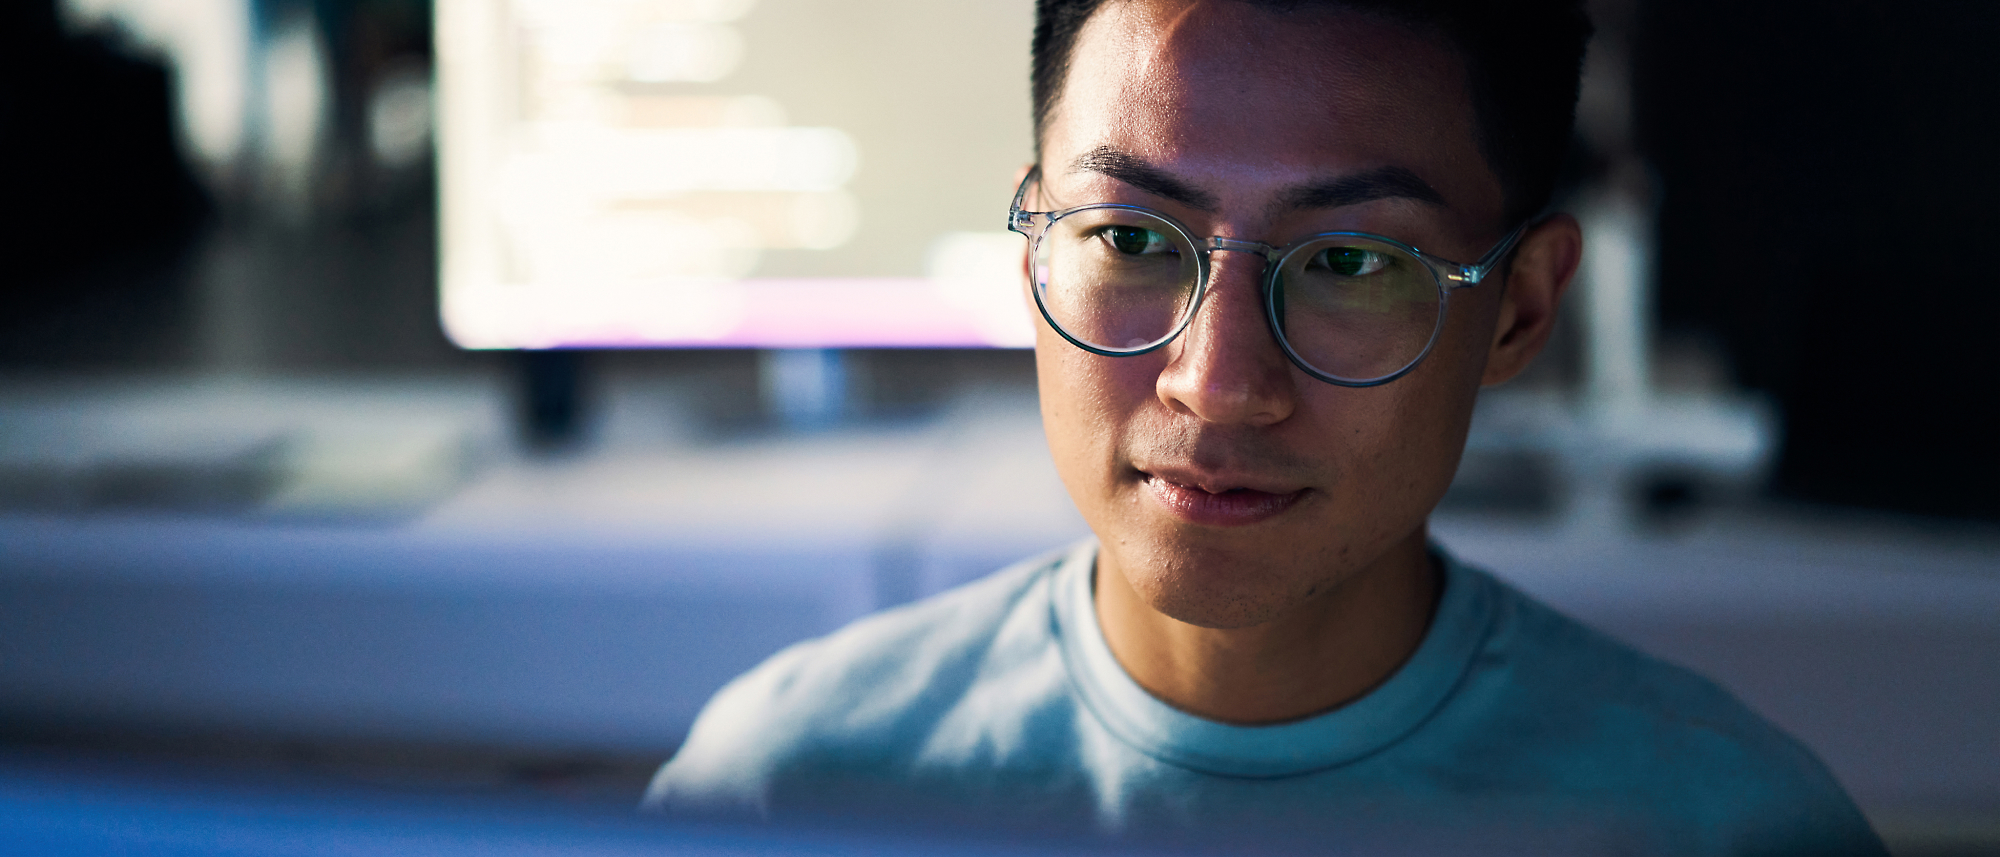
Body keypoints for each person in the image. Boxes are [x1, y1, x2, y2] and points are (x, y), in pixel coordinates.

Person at [647, 0, 1885, 852]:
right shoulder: (790, 786)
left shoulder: (1717, 826)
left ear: (1516, 310)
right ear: (1028, 244)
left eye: (1348, 260)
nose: (1217, 381)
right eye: (1129, 239)